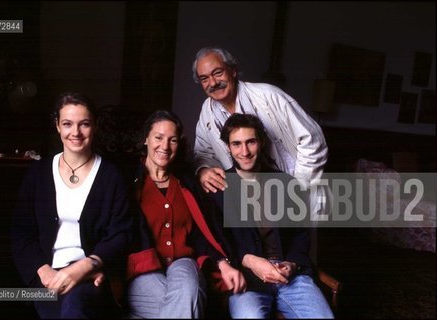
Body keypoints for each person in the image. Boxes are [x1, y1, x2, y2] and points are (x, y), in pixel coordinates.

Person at [11, 92, 133, 319]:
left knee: (75, 307)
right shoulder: (38, 174)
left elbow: (121, 234)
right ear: (57, 126)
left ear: (95, 126)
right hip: (47, 275)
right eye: (67, 124)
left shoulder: (111, 175)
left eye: (84, 124)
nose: (75, 132)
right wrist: (43, 271)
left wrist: (89, 265)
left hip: (90, 274)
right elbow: (21, 233)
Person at [211, 113, 334, 318]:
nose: (244, 151)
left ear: (261, 142)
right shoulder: (219, 188)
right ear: (228, 147)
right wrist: (249, 260)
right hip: (247, 278)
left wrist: (292, 264)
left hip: (291, 276)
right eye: (236, 144)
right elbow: (217, 240)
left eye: (251, 142)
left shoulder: (286, 183)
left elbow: (301, 233)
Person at [125, 110, 245, 318]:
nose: (165, 146)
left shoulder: (187, 181)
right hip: (142, 271)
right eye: (158, 138)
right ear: (146, 138)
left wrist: (222, 264)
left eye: (172, 140)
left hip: (183, 262)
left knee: (188, 288)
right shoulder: (127, 181)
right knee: (187, 302)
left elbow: (202, 232)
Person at [192, 46, 329, 217]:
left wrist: (296, 188)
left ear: (233, 70)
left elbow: (313, 140)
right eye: (204, 78)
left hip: (297, 192)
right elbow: (203, 152)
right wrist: (204, 170)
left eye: (218, 73)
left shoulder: (268, 95)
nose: (212, 83)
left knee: (297, 242)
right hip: (252, 199)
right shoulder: (207, 111)